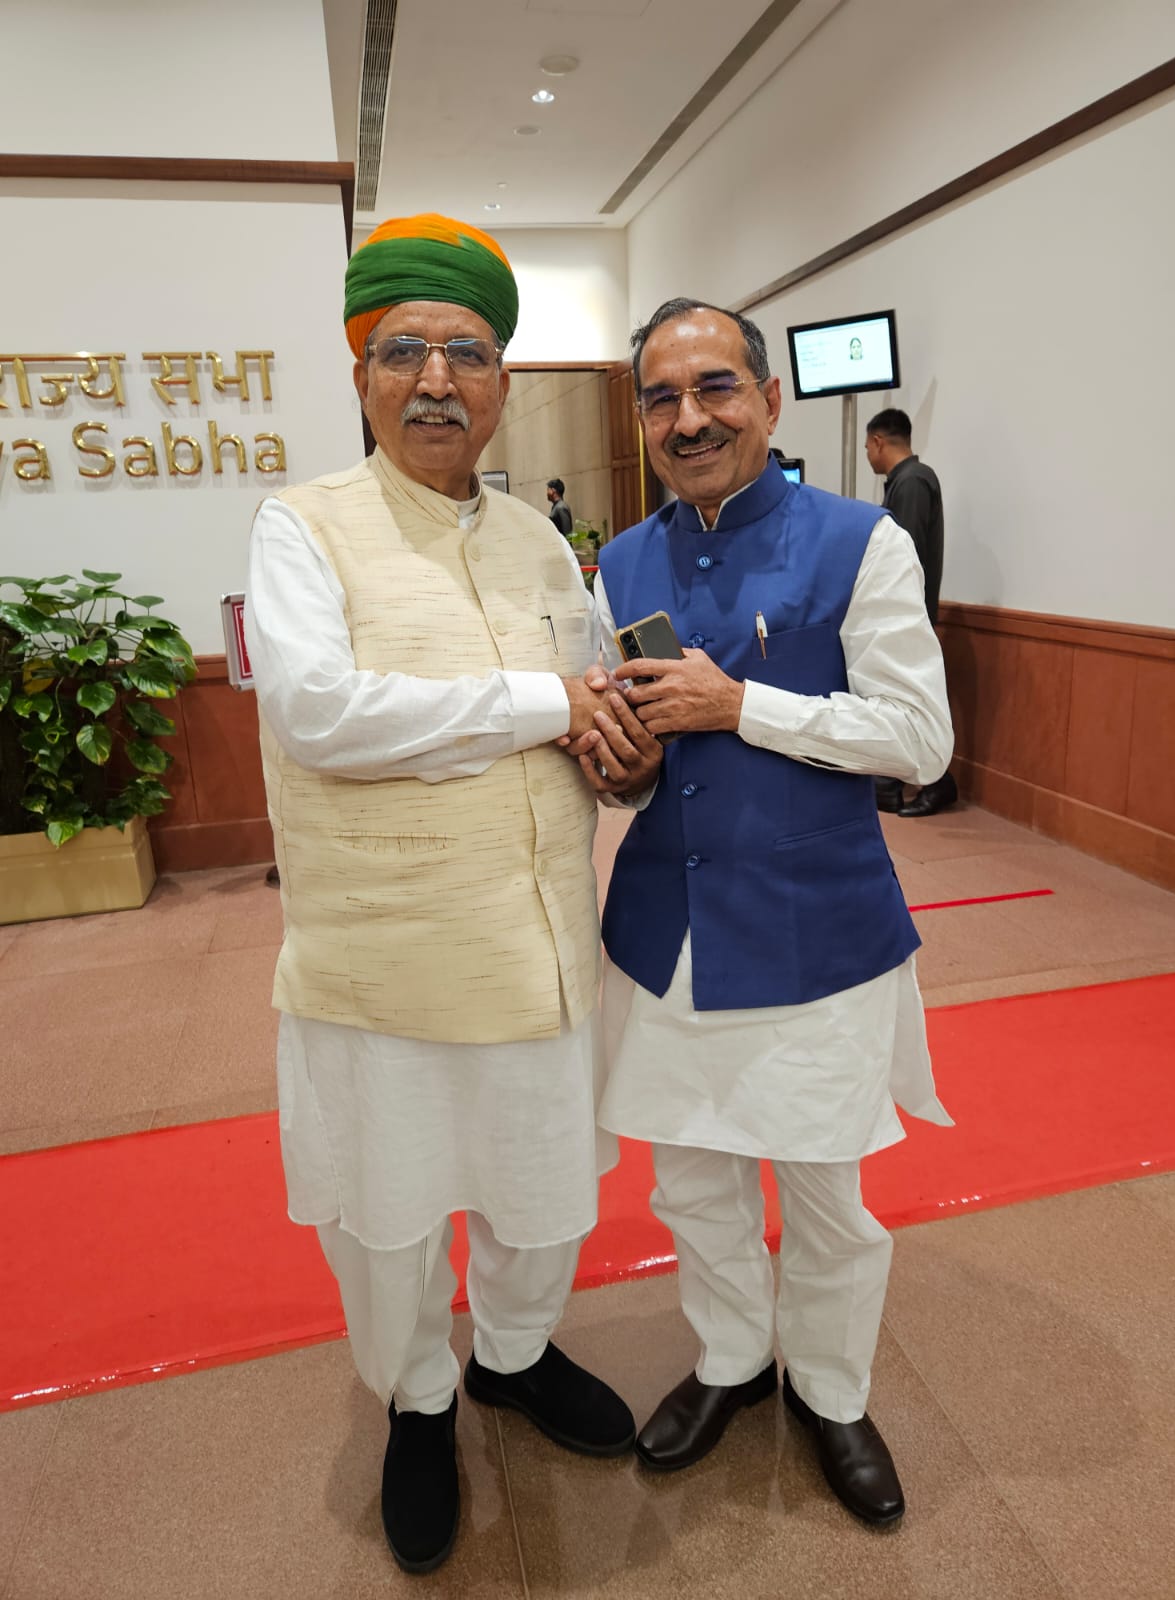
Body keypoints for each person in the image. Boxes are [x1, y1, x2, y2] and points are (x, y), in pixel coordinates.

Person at [244, 213, 661, 1575]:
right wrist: (549, 705)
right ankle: (420, 1399)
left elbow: (594, 709)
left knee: (543, 1187)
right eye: (404, 351)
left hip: (541, 946)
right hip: (387, 963)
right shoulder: (304, 527)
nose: (437, 379)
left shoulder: (546, 545)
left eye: (468, 353)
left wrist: (622, 758)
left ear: (502, 383)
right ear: (361, 375)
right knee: (393, 1210)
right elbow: (320, 713)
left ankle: (515, 1356)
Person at [592, 298, 954, 1528]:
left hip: (817, 927)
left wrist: (738, 704)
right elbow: (634, 759)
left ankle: (835, 1391)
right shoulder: (619, 562)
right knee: (692, 1180)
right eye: (661, 398)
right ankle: (734, 1358)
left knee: (826, 1195)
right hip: (669, 928)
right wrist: (623, 761)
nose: (689, 419)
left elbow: (919, 738)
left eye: (714, 388)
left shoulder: (861, 540)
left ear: (767, 397)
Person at [865, 408, 958, 816]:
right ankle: (891, 783)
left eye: (867, 447)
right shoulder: (907, 481)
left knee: (912, 702)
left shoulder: (913, 482)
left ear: (878, 442)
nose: (868, 454)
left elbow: (905, 555)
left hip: (906, 614)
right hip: (904, 613)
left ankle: (938, 783)